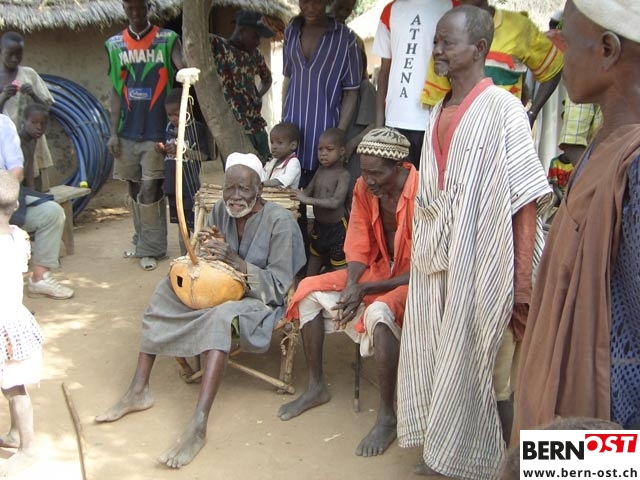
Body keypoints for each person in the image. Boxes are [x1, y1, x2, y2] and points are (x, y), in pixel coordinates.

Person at [395, 6, 552, 479]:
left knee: (492, 376)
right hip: (439, 267)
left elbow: (524, 200)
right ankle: (449, 455)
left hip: (487, 268)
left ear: (479, 49)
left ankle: (508, 468)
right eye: (435, 42)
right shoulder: (437, 111)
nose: (437, 51)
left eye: (447, 42)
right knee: (443, 363)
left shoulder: (505, 110)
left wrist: (521, 286)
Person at [95, 152, 305, 469]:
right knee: (165, 289)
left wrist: (236, 261)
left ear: (259, 189)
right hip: (219, 288)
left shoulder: (281, 223)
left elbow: (278, 286)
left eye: (243, 189)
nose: (235, 196)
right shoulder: (221, 209)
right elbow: (207, 261)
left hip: (259, 300)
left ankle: (199, 422)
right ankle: (138, 389)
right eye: (229, 188)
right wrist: (210, 249)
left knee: (220, 317)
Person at [516, 0, 640, 436]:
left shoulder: (635, 166)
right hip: (568, 419)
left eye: (565, 41)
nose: (557, 54)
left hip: (613, 424)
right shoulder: (605, 143)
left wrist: (612, 455)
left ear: (607, 50)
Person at [278, 127, 418, 458]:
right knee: (308, 290)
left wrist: (366, 288)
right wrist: (354, 283)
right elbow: (358, 241)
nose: (368, 180)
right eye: (364, 171)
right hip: (377, 270)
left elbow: (424, 268)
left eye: (376, 173)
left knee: (379, 313)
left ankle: (387, 415)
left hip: (413, 280)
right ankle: (316, 387)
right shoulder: (364, 187)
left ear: (398, 166)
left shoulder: (423, 192)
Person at [105, 0, 184, 271]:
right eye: (131, 8)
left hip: (156, 130)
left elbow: (183, 69)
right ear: (124, 8)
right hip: (127, 130)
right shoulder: (115, 45)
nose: (136, 13)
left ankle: (153, 248)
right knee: (134, 188)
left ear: (149, 8)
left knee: (151, 188)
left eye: (141, 8)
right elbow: (116, 91)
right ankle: (142, 241)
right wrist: (113, 133)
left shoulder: (167, 40)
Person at [282, 0, 361, 247]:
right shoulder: (291, 31)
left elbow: (351, 91)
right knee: (291, 201)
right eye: (304, 1)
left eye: (316, 1)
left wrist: (339, 134)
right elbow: (288, 78)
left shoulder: (346, 39)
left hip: (325, 135)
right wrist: (283, 118)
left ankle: (327, 255)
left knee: (325, 205)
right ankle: (297, 257)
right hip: (292, 133)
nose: (310, 7)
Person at [420, 0, 564, 127]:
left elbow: (553, 68)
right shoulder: (448, 31)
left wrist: (532, 114)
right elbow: (437, 98)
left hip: (505, 131)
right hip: (459, 133)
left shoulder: (518, 27)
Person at [0, 170, 45, 477]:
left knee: (15, 389)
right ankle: (16, 434)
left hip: (5, 327)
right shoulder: (19, 237)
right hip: (15, 321)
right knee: (9, 384)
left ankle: (28, 449)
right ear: (16, 205)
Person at [373, 0, 454, 169]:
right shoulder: (390, 10)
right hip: (395, 118)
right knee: (399, 182)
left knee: (430, 180)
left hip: (436, 118)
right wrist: (379, 126)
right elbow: (384, 72)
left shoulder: (452, 7)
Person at [1, 113, 73, 300]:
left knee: (52, 213)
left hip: (4, 196)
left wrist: (5, 197)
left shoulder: (3, 124)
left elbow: (16, 170)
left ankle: (40, 279)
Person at [328, 0, 377, 211]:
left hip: (354, 156)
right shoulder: (332, 89)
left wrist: (351, 144)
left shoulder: (365, 89)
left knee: (353, 198)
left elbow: (374, 125)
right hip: (337, 156)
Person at [210, 10, 274, 162]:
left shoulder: (255, 55)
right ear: (241, 30)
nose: (258, 42)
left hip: (256, 125)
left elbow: (267, 79)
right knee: (237, 170)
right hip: (232, 128)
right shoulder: (218, 46)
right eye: (255, 36)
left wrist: (257, 96)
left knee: (265, 168)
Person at [156, 88, 210, 255]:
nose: (173, 118)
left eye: (177, 114)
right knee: (181, 226)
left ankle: (201, 255)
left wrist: (183, 151)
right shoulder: (168, 128)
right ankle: (184, 257)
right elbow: (168, 154)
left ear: (188, 109)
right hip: (173, 186)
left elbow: (203, 155)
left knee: (196, 225)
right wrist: (162, 150)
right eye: (170, 115)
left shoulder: (196, 128)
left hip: (190, 186)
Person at [0, 32, 55, 192]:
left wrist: (33, 94)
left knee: (36, 187)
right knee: (10, 189)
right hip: (6, 145)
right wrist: (3, 98)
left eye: (19, 54)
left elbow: (47, 109)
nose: (15, 59)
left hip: (32, 141)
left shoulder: (29, 75)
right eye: (10, 54)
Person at [291, 128, 351, 277]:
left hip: (337, 228)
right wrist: (294, 194)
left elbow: (336, 202)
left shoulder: (343, 174)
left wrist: (307, 200)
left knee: (339, 264)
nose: (323, 153)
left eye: (329, 149)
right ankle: (307, 283)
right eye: (320, 149)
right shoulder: (320, 170)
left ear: (342, 151)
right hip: (319, 225)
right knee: (315, 255)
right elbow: (307, 191)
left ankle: (343, 287)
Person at [19, 103, 50, 193]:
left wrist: (33, 194)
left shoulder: (32, 141)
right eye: (33, 122)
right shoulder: (17, 142)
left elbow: (29, 170)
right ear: (24, 121)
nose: (39, 127)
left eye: (43, 124)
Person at [262, 122, 301, 189]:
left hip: (286, 195)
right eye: (272, 142)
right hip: (269, 194)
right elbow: (264, 174)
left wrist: (261, 184)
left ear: (293, 145)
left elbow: (283, 180)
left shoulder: (293, 162)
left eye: (279, 143)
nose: (274, 147)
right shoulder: (274, 161)